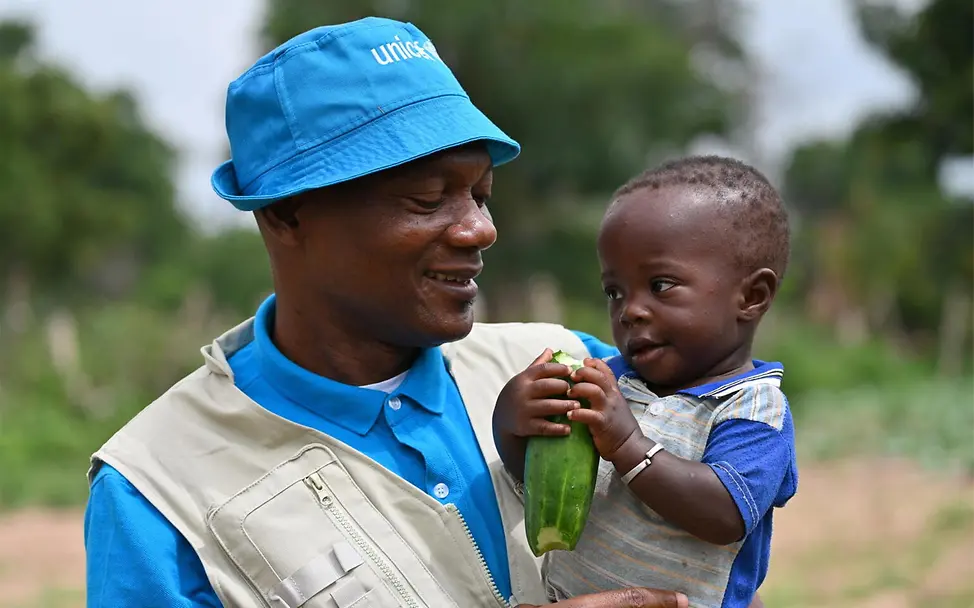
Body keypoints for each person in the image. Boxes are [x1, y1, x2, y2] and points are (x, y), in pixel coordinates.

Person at [82, 16, 690, 608]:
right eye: (428, 198)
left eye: (481, 195)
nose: (481, 229)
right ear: (287, 214)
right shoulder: (159, 492)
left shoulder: (573, 367)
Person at [493, 156, 797, 608]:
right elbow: (544, 485)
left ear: (751, 297)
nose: (629, 310)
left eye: (660, 285)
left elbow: (724, 514)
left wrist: (630, 447)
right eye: (614, 292)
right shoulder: (611, 382)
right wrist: (512, 421)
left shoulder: (753, 409)